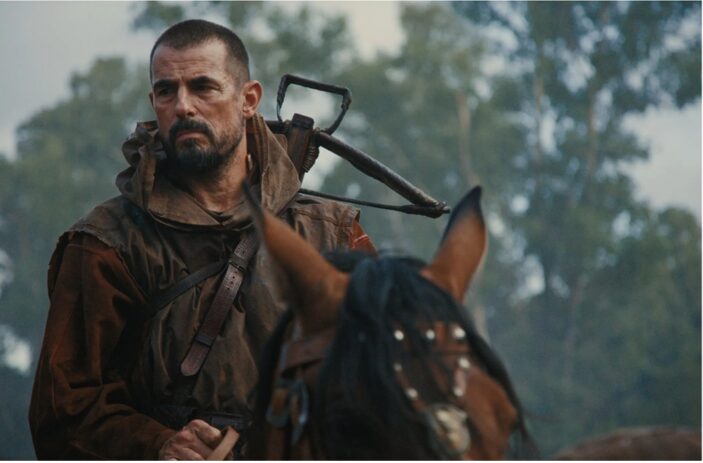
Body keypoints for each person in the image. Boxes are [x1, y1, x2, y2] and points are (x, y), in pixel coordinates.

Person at [29, 19, 375, 460]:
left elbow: (390, 385)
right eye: (166, 91)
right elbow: (61, 412)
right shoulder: (105, 245)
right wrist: (158, 444)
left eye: (203, 87)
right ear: (153, 102)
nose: (183, 106)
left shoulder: (334, 235)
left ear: (249, 99)